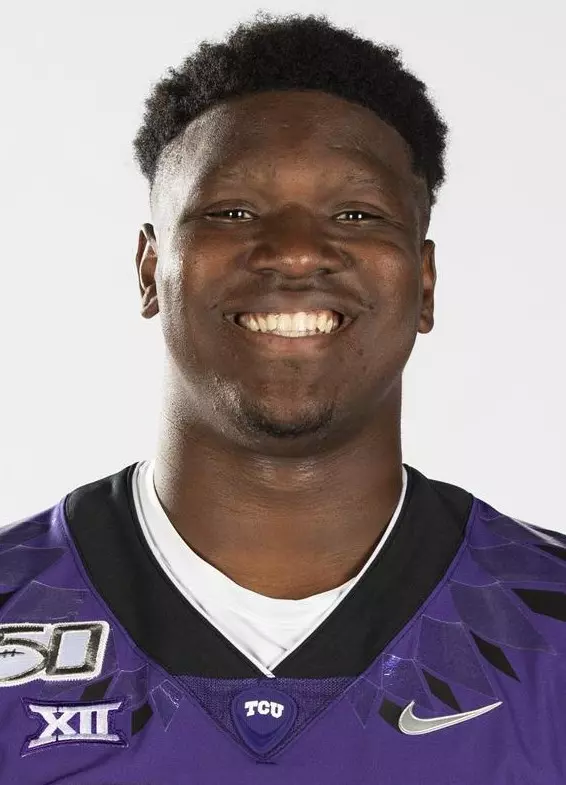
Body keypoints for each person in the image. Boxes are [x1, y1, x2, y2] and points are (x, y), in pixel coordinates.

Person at [1, 10, 564, 784]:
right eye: (232, 211)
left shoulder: (551, 625)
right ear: (148, 270)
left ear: (423, 283)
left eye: (356, 214)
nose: (297, 250)